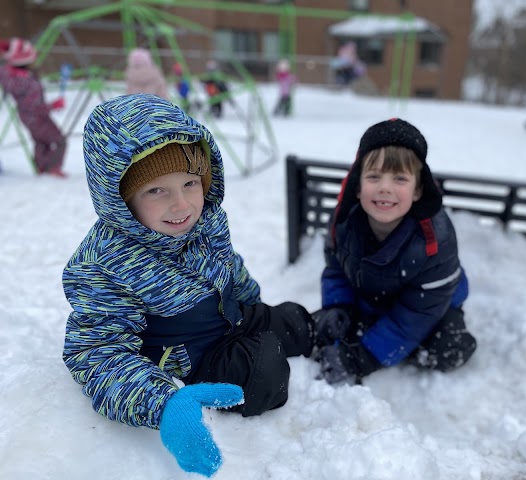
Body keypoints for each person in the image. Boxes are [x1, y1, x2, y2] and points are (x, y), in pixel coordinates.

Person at [62, 93, 315, 476]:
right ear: (119, 199)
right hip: (192, 360)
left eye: (189, 184)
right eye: (156, 191)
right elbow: (97, 353)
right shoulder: (103, 266)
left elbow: (228, 265)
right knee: (266, 370)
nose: (181, 206)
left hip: (230, 317)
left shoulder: (206, 220)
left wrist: (254, 304)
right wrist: (162, 403)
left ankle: (322, 336)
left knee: (293, 320)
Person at [314, 118, 477, 385]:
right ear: (357, 185)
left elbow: (417, 313)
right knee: (329, 329)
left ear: (417, 190)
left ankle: (404, 346)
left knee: (447, 345)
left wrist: (363, 357)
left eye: (399, 178)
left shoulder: (436, 239)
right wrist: (338, 306)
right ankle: (378, 332)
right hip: (374, 294)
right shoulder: (343, 222)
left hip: (432, 305)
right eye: (374, 176)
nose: (385, 187)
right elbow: (335, 268)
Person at [0, 37, 66, 176]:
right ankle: (53, 168)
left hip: (25, 116)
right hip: (38, 117)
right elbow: (36, 107)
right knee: (59, 140)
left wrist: (7, 48)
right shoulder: (29, 83)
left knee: (40, 141)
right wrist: (54, 105)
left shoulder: (8, 74)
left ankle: (41, 167)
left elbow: (5, 64)